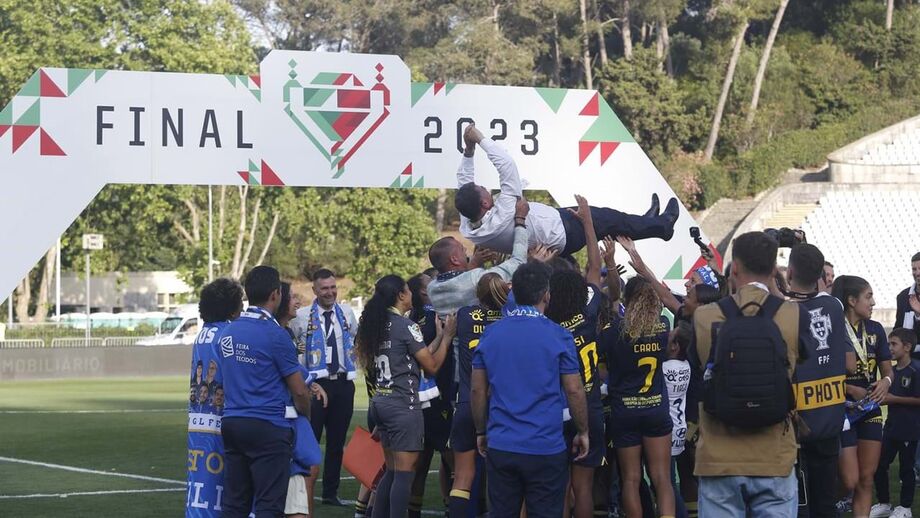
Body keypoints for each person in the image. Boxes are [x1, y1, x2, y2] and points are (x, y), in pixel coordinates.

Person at [689, 231, 803, 516]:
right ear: (773, 271)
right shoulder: (791, 315)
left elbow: (704, 369)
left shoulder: (704, 317)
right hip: (773, 454)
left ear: (734, 269)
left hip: (719, 456)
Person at [472, 261, 590, 518]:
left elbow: (478, 391)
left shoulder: (491, 334)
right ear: (546, 294)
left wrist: (481, 430)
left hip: (503, 442)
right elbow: (574, 391)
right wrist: (583, 430)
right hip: (544, 445)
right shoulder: (558, 335)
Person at [456, 124, 679, 256]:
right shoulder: (504, 213)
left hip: (556, 225)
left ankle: (646, 224)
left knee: (612, 222)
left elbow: (464, 182)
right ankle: (662, 226)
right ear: (485, 203)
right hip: (564, 230)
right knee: (609, 218)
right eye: (481, 189)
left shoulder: (469, 226)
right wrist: (479, 139)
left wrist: (468, 150)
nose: (484, 187)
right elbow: (506, 165)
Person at [356, 275, 456, 518]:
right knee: (404, 475)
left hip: (380, 401)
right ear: (401, 296)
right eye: (408, 291)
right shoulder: (406, 325)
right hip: (402, 405)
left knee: (391, 472)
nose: (411, 294)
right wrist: (450, 337)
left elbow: (414, 358)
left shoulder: (378, 323)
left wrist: (440, 337)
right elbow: (431, 367)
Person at [220, 266, 313, 518]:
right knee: (269, 505)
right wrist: (307, 415)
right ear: (275, 294)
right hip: (268, 426)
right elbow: (300, 391)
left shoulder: (228, 331)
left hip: (232, 423)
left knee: (234, 504)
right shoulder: (275, 334)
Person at [544, 194, 605, 518]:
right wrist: (588, 222)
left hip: (556, 409)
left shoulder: (546, 321)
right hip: (591, 404)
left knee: (558, 488)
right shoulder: (590, 310)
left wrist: (533, 261)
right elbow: (595, 267)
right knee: (584, 488)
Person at [785, 244, 854, 518]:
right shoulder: (833, 305)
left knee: (800, 505)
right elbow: (849, 364)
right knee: (825, 504)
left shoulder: (786, 312)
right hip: (830, 419)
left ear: (789, 271)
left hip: (797, 423)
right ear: (820, 275)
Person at [599, 275, 675, 518]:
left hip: (625, 410)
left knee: (630, 479)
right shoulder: (663, 325)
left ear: (627, 299)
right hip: (656, 408)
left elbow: (602, 371)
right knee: (662, 478)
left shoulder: (613, 331)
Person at [291, 269, 359, 507]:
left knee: (337, 441)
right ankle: (302, 491)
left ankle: (331, 493)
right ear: (314, 291)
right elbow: (292, 345)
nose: (330, 293)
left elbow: (354, 338)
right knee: (310, 439)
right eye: (324, 289)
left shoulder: (347, 312)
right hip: (315, 384)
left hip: (342, 383)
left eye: (333, 287)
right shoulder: (300, 316)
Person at [833, 275, 893, 518]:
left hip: (870, 408)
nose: (873, 302)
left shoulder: (876, 329)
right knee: (850, 480)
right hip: (842, 409)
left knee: (866, 479)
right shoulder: (833, 329)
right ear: (851, 300)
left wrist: (886, 382)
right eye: (868, 297)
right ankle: (819, 502)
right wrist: (848, 387)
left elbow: (888, 368)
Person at [449, 273, 508, 517]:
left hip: (466, 402)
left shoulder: (464, 315)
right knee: (502, 477)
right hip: (499, 406)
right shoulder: (510, 318)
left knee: (462, 476)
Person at [187, 278, 244, 518]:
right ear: (231, 307)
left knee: (200, 482)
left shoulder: (202, 334)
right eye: (240, 302)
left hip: (198, 420)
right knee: (223, 484)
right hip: (221, 419)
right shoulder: (227, 335)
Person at [427, 196, 530, 315]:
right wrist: (520, 219)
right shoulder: (475, 278)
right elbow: (518, 261)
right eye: (461, 249)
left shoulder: (432, 288)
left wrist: (474, 263)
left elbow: (457, 282)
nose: (466, 249)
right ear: (454, 259)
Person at [406, 272, 454, 518]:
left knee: (421, 464)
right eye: (431, 283)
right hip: (437, 399)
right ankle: (459, 509)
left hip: (418, 401)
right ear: (425, 293)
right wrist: (444, 336)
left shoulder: (411, 317)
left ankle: (414, 512)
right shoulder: (432, 318)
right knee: (454, 460)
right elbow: (428, 360)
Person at [870, 329, 920, 518]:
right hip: (890, 427)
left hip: (910, 429)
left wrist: (893, 399)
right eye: (888, 344)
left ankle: (905, 508)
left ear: (906, 347)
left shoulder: (916, 370)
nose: (889, 348)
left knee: (906, 469)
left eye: (894, 344)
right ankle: (884, 503)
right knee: (879, 464)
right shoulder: (890, 372)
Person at [663, 325, 693, 518]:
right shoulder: (686, 366)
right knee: (669, 480)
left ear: (675, 347)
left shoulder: (664, 368)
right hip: (679, 429)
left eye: (670, 336)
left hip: (667, 429)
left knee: (668, 482)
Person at [894, 252, 920, 346]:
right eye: (914, 269)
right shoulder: (903, 297)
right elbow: (898, 328)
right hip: (909, 357)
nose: (917, 273)